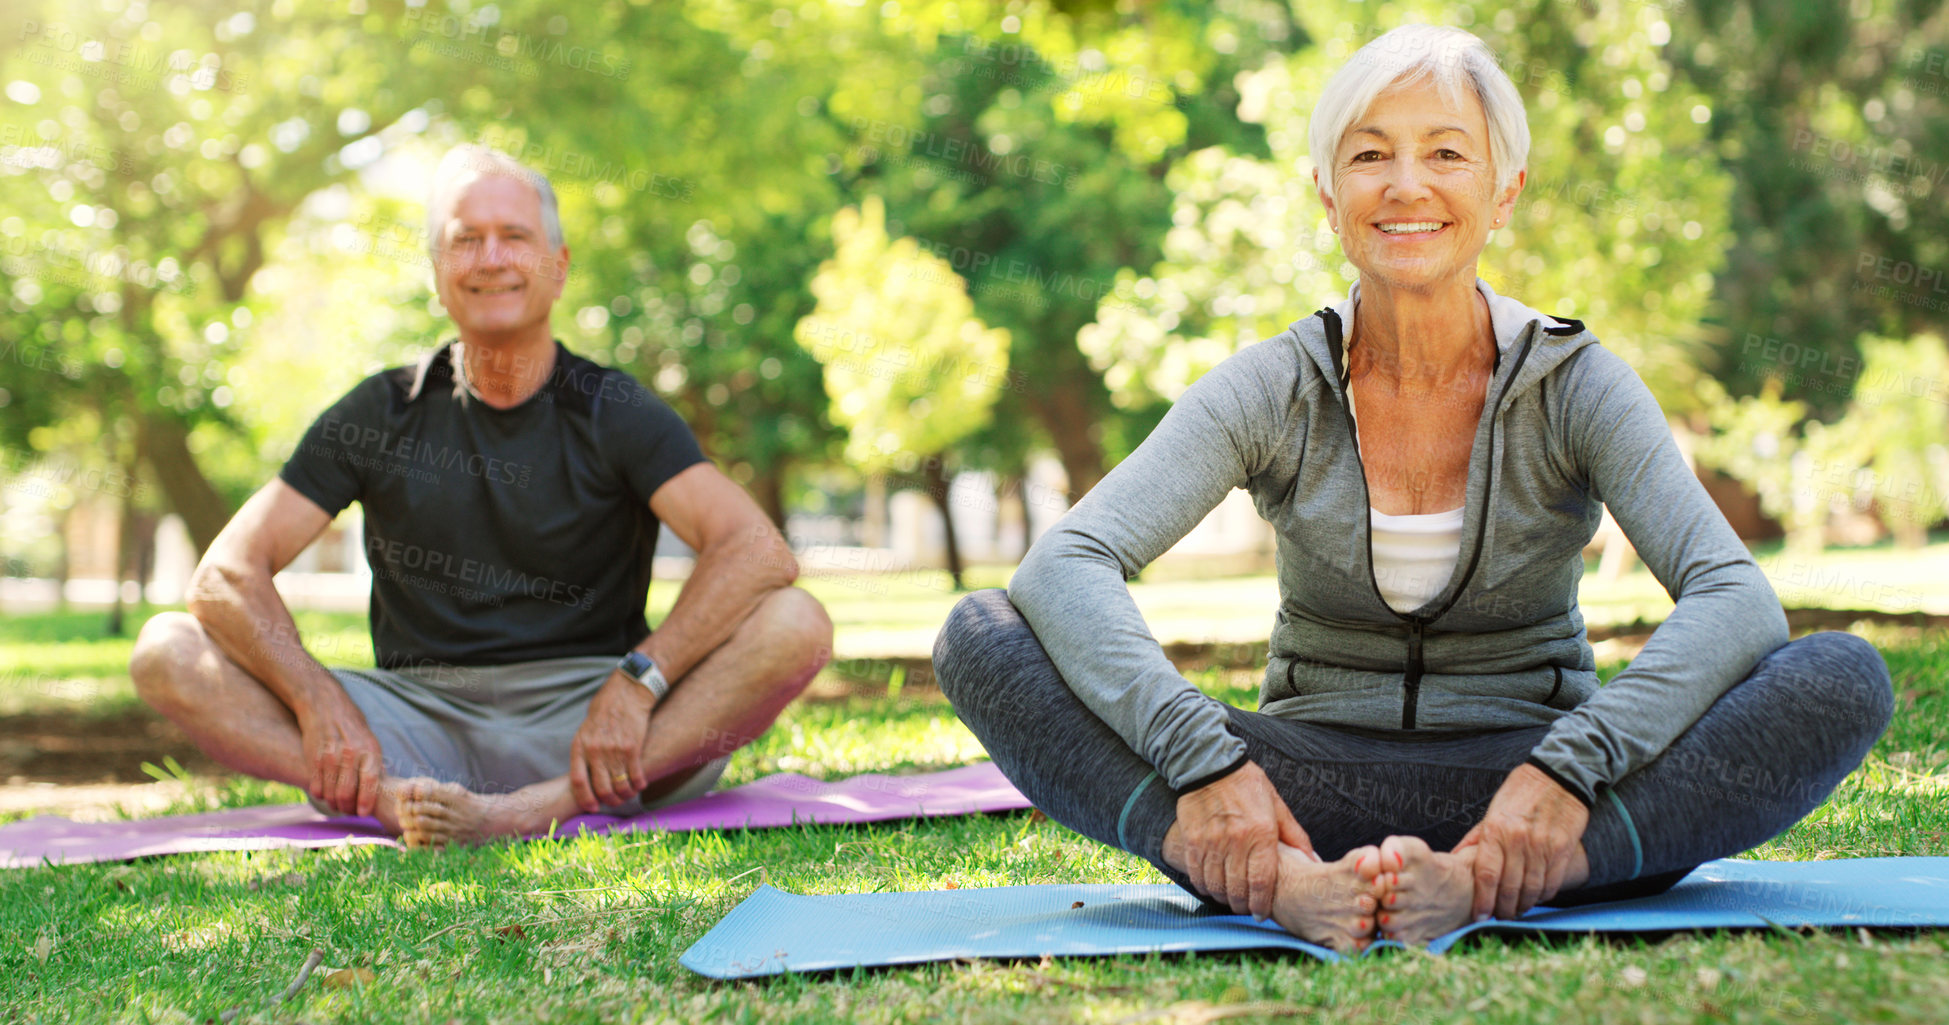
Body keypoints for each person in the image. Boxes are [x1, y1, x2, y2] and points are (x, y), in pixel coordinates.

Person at [932, 25, 1893, 951]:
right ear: (1326, 193)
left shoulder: (1574, 382)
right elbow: (1066, 562)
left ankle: (1491, 874)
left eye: (1445, 153)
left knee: (1839, 676)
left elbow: (1733, 595)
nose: (1406, 186)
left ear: (1502, 189)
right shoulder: (1272, 386)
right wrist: (1205, 761)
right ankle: (1269, 874)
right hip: (1301, 787)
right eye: (1369, 157)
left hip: (1531, 784)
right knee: (981, 636)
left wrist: (1568, 768)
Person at [129, 145, 832, 848]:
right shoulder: (379, 412)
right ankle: (388, 802)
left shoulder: (614, 408)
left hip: (592, 725)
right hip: (411, 722)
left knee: (796, 621)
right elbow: (224, 575)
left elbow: (756, 549)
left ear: (558, 267)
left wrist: (636, 684)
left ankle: (533, 809)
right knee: (166, 649)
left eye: (514, 236)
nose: (490, 257)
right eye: (466, 240)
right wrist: (318, 701)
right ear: (439, 274)